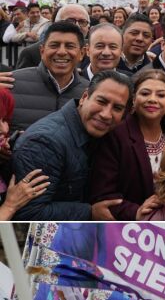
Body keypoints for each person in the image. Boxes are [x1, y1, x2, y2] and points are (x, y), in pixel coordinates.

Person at [12, 70, 131, 220]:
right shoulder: (45, 143)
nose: (106, 114)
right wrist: (90, 212)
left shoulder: (103, 134)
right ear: (84, 97)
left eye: (117, 108)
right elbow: (30, 213)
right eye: (101, 101)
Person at [90, 69, 165, 220]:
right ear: (133, 99)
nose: (152, 99)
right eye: (145, 93)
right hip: (130, 230)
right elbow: (104, 195)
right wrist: (137, 211)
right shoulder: (115, 135)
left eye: (161, 95)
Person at [11, 21, 87, 131]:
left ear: (82, 54)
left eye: (70, 46)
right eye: (54, 45)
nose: (61, 52)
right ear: (42, 51)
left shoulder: (89, 92)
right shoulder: (11, 83)